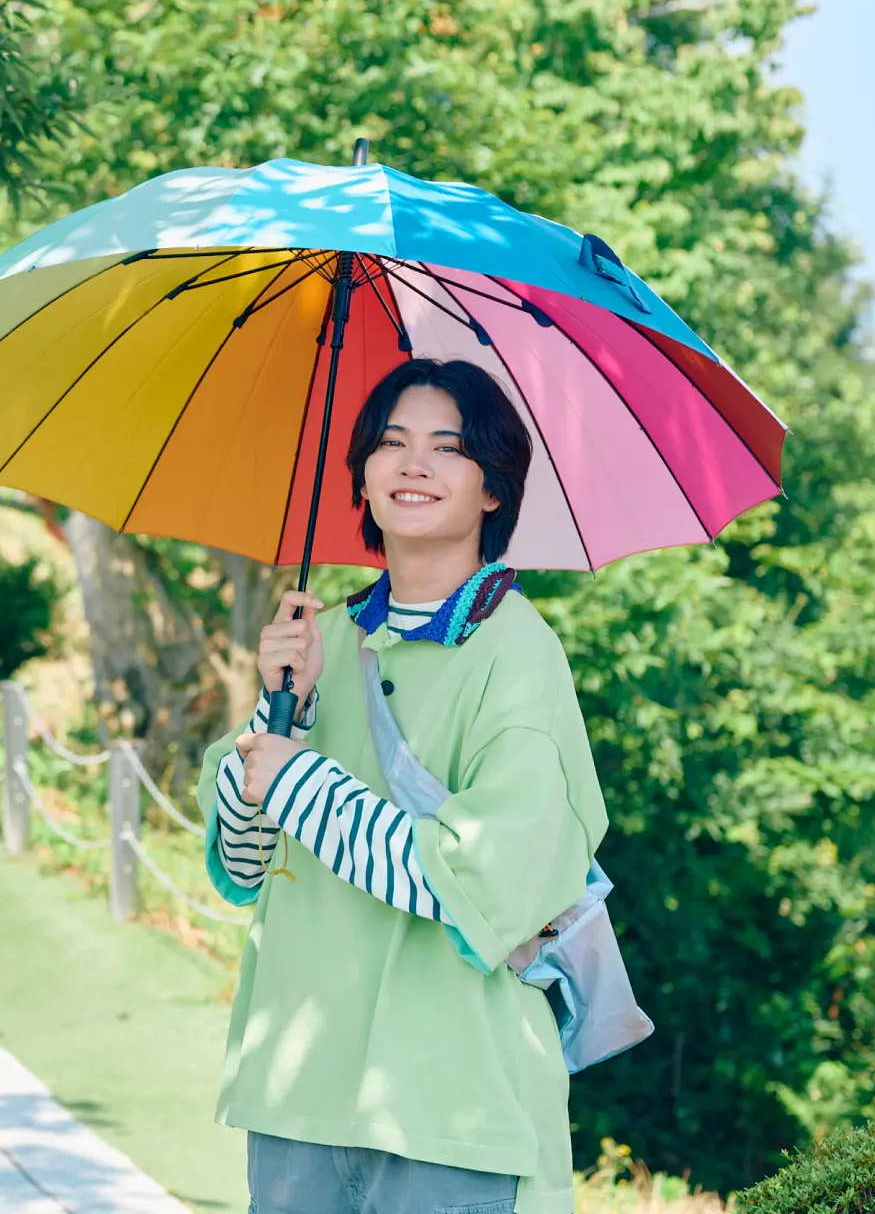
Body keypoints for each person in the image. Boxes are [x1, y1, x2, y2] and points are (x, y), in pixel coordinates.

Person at [197, 358, 606, 1214]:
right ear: (363, 473)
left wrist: (299, 779)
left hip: (449, 1110)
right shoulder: (321, 641)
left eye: (447, 449)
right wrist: (286, 716)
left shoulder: (519, 653)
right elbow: (241, 860)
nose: (413, 465)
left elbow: (481, 883)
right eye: (391, 442)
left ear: (493, 489)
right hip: (297, 1095)